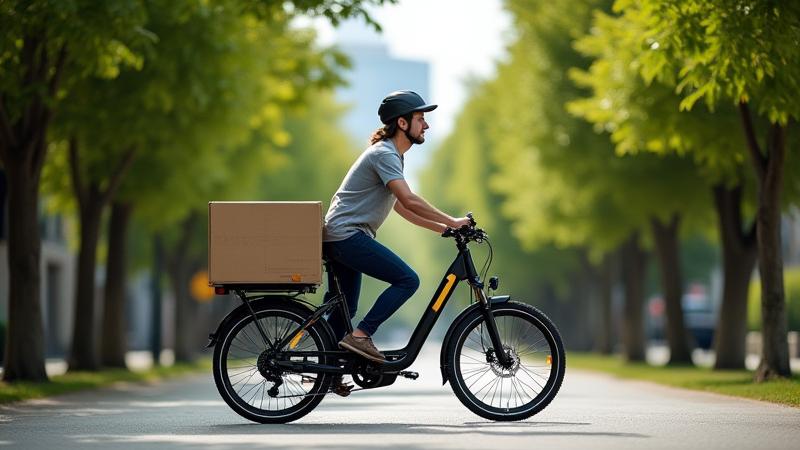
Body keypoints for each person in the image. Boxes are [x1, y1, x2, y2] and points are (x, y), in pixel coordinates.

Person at [322, 90, 471, 376]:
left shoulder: (391, 155)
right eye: (420, 119)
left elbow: (400, 208)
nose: (426, 125)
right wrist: (453, 221)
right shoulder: (385, 154)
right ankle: (361, 335)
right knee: (407, 280)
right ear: (402, 123)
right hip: (347, 236)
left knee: (345, 309)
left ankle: (326, 373)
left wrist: (443, 229)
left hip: (342, 237)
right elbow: (409, 200)